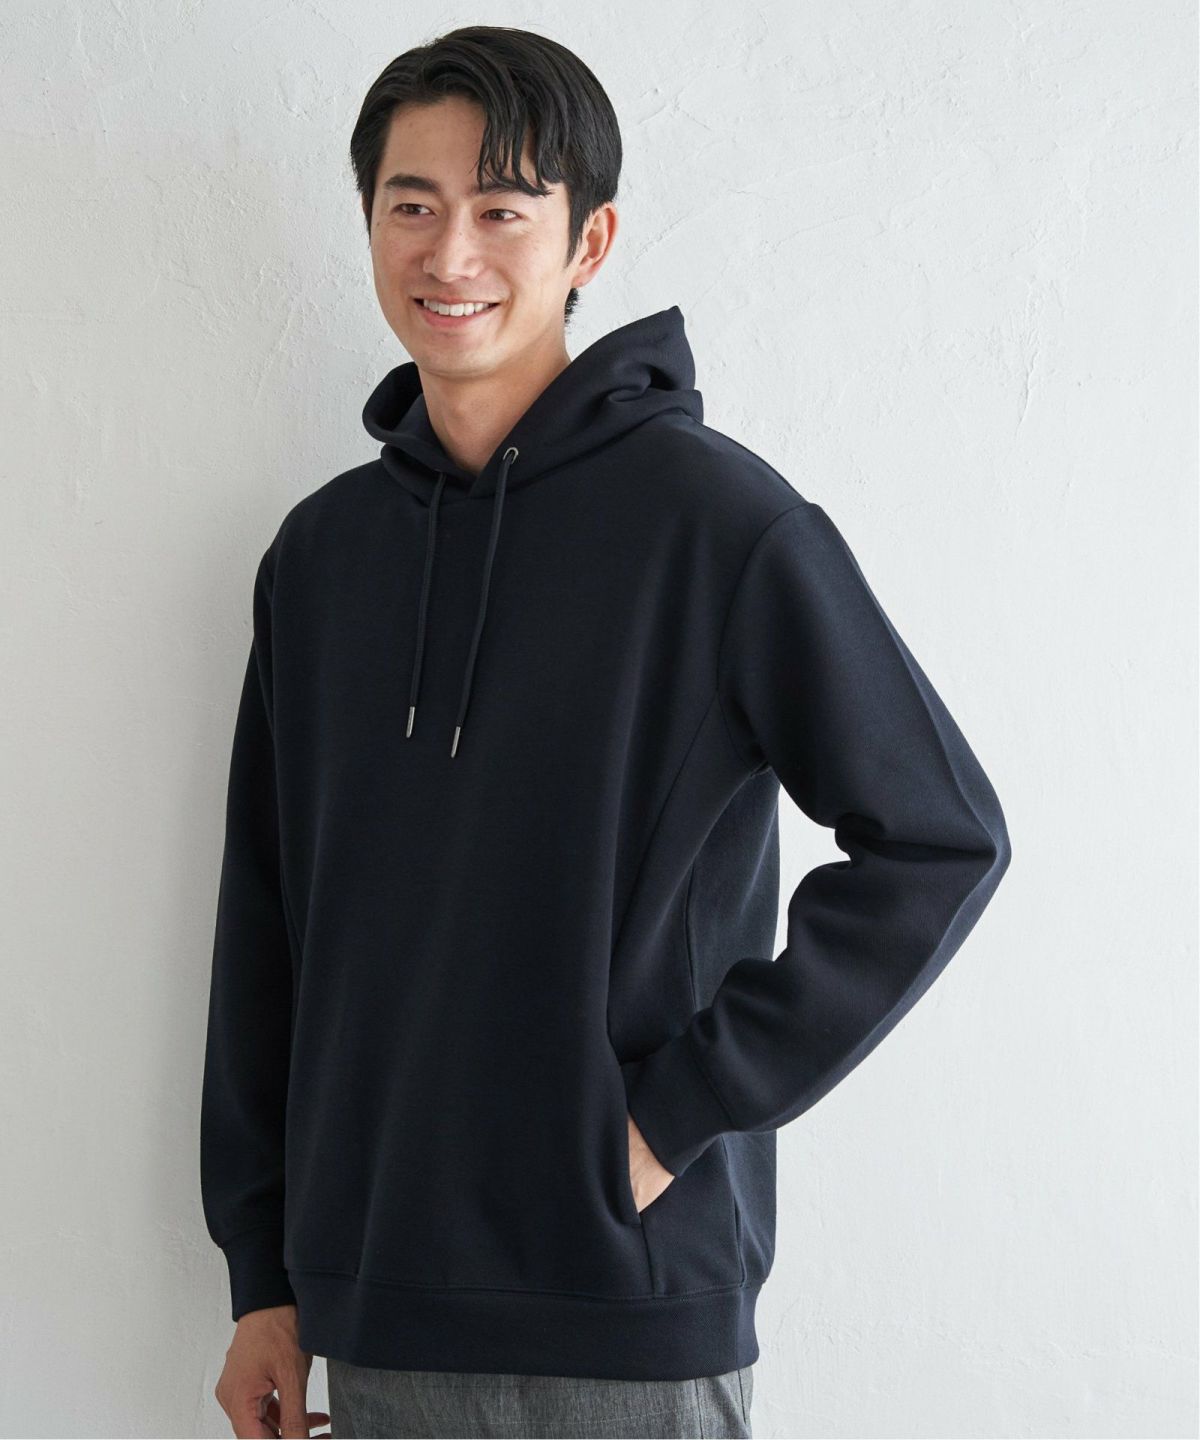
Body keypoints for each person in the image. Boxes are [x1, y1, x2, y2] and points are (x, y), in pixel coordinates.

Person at [200, 24, 1012, 1440]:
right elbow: (268, 922)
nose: (451, 253)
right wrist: (263, 1276)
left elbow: (939, 840)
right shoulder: (322, 557)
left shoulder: (720, 527)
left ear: (589, 241)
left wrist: (674, 1113)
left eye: (502, 209)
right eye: (412, 205)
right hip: (371, 1309)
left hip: (621, 1313)